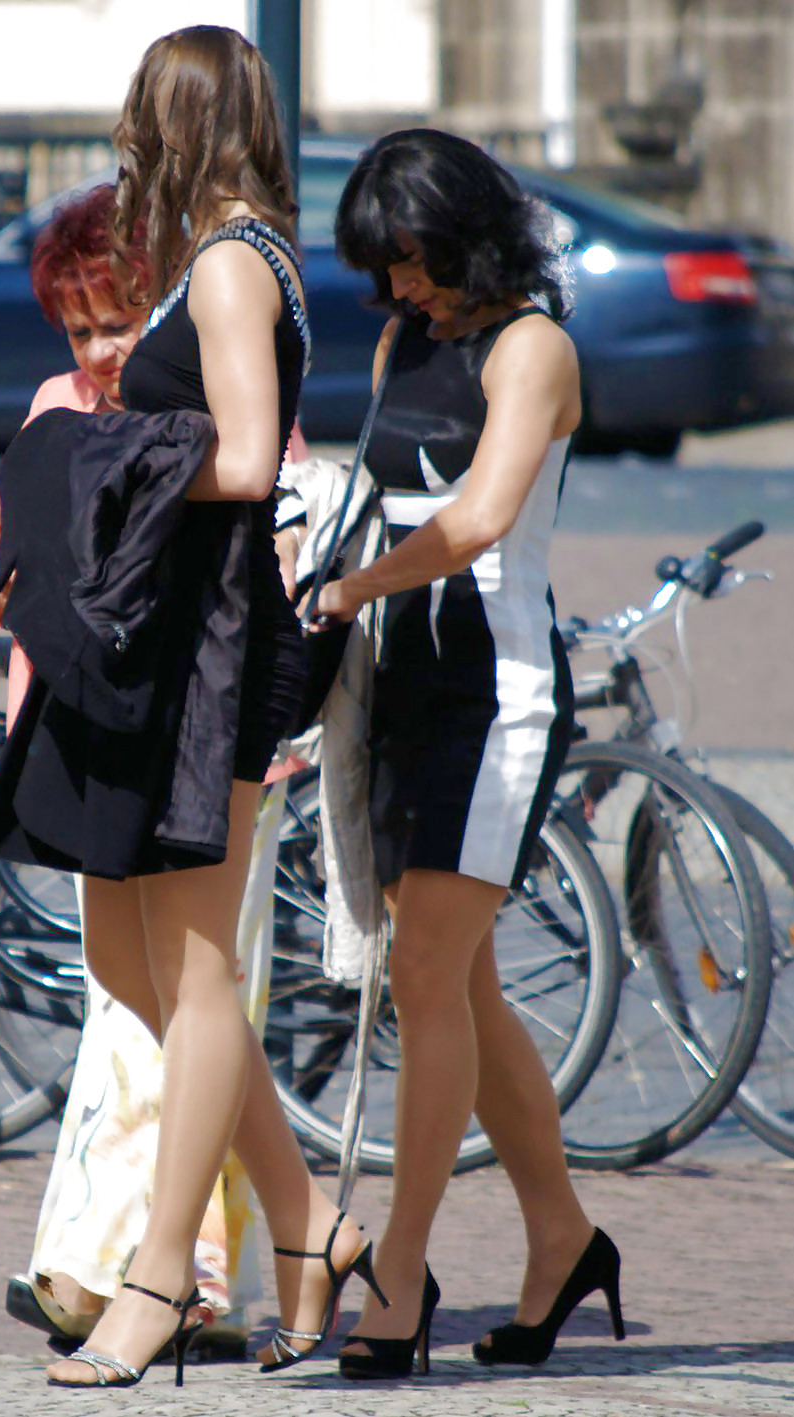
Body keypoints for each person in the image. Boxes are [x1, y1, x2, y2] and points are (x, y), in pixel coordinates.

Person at [0, 26, 386, 1391]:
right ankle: (318, 1227)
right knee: (129, 969)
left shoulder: (222, 264)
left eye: (138, 122)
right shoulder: (229, 259)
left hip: (208, 650)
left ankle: (157, 1281)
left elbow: (252, 458)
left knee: (193, 977)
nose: (124, 145)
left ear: (174, 125)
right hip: (165, 646)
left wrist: (87, 451)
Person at [311, 128, 624, 1380]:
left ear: (469, 236)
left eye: (414, 260)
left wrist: (350, 590)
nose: (399, 289)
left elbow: (484, 514)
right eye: (385, 269)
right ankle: (563, 1238)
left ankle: (401, 1273)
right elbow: (379, 487)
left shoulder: (535, 346)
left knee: (432, 978)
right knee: (464, 985)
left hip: (496, 691)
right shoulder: (409, 338)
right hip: (401, 680)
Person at [0, 183, 274, 1353]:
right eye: (81, 328)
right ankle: (268, 1233)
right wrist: (12, 572)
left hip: (196, 736)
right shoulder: (56, 406)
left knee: (188, 1002)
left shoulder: (199, 387)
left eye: (119, 317)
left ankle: (162, 1268)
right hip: (82, 734)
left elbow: (266, 515)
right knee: (127, 992)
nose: (100, 349)